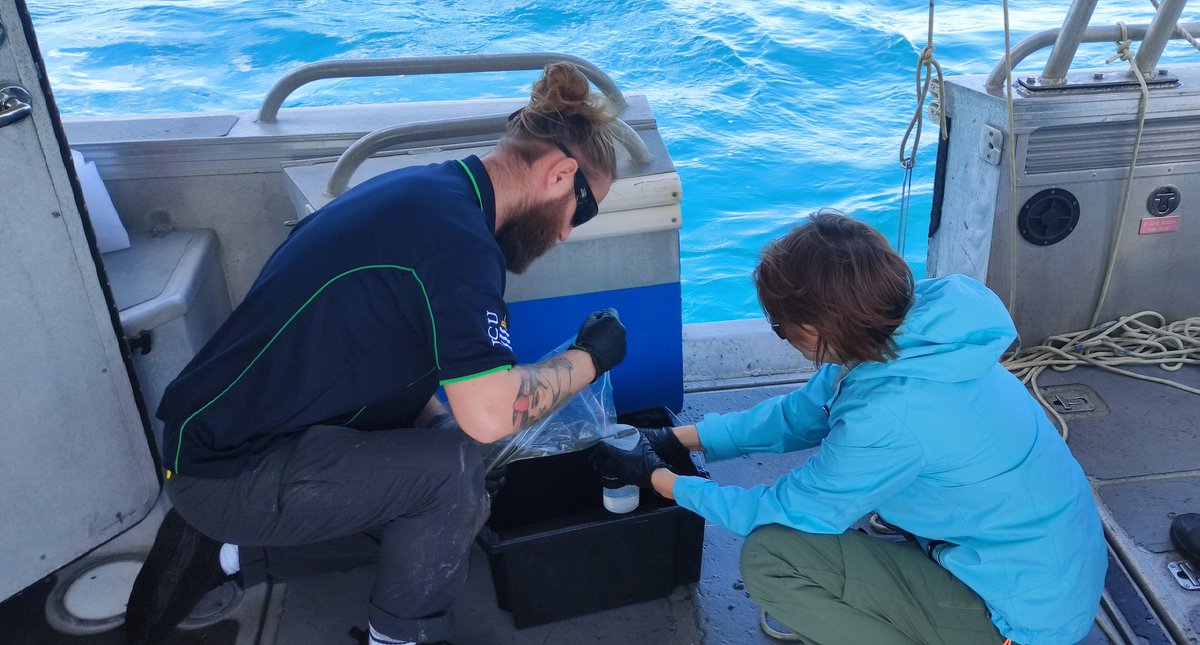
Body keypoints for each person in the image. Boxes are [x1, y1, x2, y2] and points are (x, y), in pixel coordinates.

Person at [125, 62, 627, 645]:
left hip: (233, 436)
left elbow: (376, 355)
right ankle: (398, 637)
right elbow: (490, 415)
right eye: (583, 211)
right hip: (230, 470)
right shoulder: (458, 248)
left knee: (470, 475)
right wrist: (593, 357)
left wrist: (456, 453)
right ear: (561, 174)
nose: (568, 232)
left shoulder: (431, 195)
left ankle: (229, 553)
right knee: (455, 473)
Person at [594, 210, 1107, 644]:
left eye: (780, 326)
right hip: (1040, 566)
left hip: (1021, 617)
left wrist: (659, 479)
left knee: (773, 557)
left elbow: (785, 512)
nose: (780, 335)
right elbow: (802, 415)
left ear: (816, 329)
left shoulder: (894, 414)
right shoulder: (912, 329)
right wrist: (676, 439)